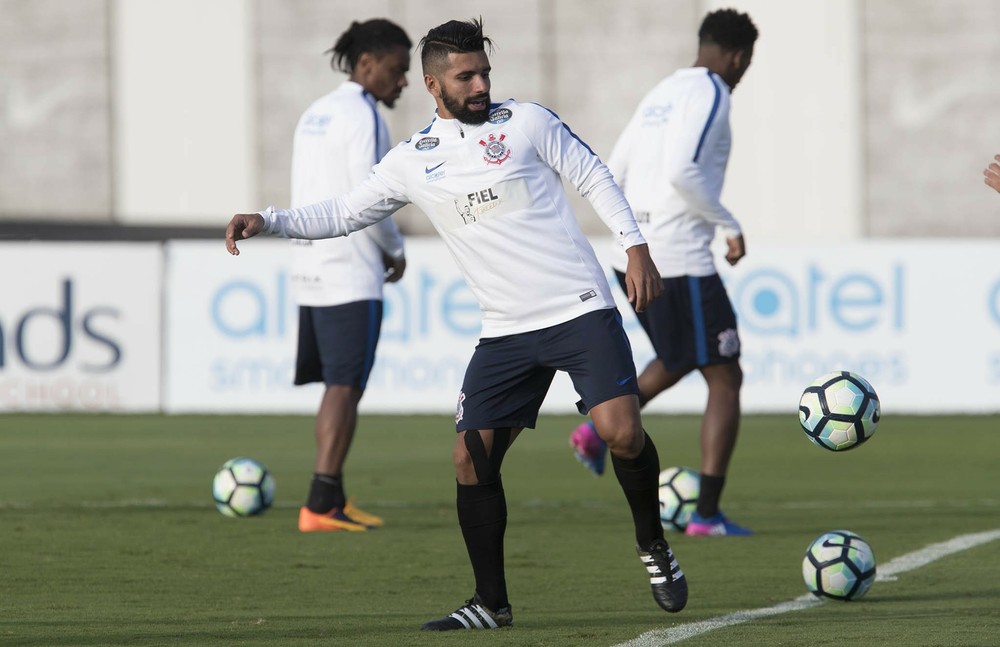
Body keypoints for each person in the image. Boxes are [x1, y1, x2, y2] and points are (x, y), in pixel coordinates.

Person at [227, 17, 687, 631]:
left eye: (485, 74)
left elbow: (593, 175)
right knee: (470, 460)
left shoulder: (527, 122)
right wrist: (269, 220)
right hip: (505, 329)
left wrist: (635, 247)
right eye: (466, 77)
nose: (481, 86)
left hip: (579, 307)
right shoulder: (412, 160)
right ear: (432, 85)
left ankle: (653, 544)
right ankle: (491, 603)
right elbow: (344, 211)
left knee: (621, 433)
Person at [569, 8, 759, 538]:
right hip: (679, 257)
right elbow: (682, 171)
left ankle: (594, 433)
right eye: (746, 63)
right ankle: (706, 516)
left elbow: (614, 167)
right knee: (725, 375)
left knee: (679, 357)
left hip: (636, 253)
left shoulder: (663, 91)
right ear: (738, 57)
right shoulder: (714, 92)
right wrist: (729, 224)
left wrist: (632, 234)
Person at [289, 19, 411, 533]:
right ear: (367, 64)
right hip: (350, 268)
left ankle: (332, 497)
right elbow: (373, 197)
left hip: (309, 264)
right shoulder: (364, 115)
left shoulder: (317, 111)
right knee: (344, 386)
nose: (403, 81)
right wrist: (395, 250)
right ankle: (319, 504)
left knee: (337, 386)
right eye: (397, 69)